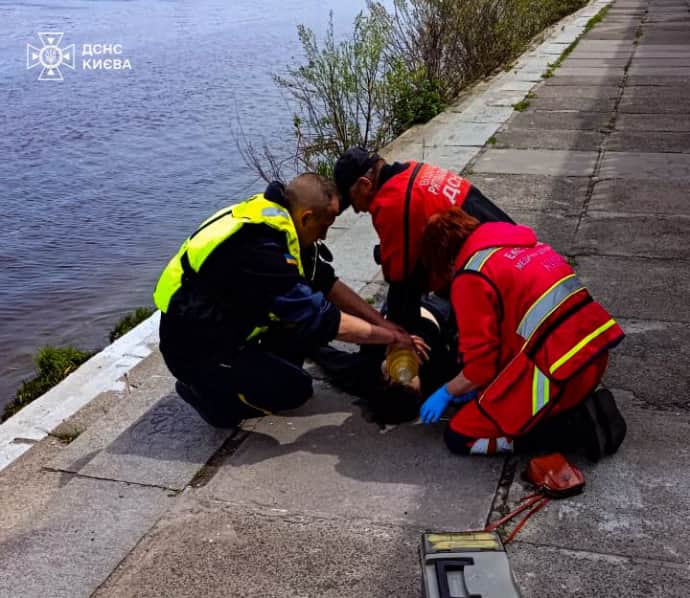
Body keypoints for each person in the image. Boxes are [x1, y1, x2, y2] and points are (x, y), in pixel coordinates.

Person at [153, 173, 420, 428]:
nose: (324, 236)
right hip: (194, 347)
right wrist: (391, 338)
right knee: (294, 389)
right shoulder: (260, 248)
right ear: (306, 217)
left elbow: (327, 283)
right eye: (324, 227)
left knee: (300, 335)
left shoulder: (281, 219)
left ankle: (247, 366)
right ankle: (209, 397)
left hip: (223, 322)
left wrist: (383, 324)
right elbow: (324, 318)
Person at [416, 208, 627, 461]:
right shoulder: (527, 246)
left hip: (558, 376)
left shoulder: (471, 276)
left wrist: (447, 391)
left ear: (446, 260)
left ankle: (570, 430)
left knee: (459, 435)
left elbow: (480, 369)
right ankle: (570, 410)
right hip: (592, 359)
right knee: (490, 396)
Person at [333, 146, 514, 328]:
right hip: (508, 245)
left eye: (353, 201)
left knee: (405, 308)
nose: (357, 210)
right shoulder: (412, 170)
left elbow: (401, 282)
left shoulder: (393, 203)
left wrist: (394, 334)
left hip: (495, 277)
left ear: (365, 184)